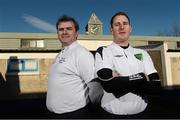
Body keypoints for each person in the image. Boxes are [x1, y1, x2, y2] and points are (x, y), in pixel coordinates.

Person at [95, 11, 162, 115]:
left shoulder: (142, 53)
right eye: (117, 24)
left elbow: (156, 87)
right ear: (111, 30)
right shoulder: (104, 51)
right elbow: (109, 85)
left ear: (130, 28)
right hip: (112, 115)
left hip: (142, 114)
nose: (121, 27)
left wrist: (120, 81)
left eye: (125, 23)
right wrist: (142, 77)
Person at [46, 15, 95, 116]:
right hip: (55, 114)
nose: (64, 32)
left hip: (74, 114)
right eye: (61, 29)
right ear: (57, 34)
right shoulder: (61, 54)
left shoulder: (81, 53)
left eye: (69, 29)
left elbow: (95, 86)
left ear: (76, 33)